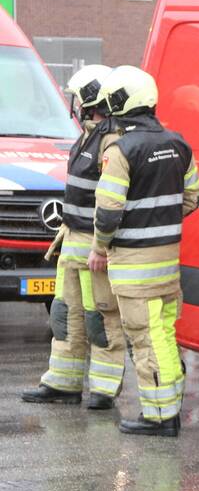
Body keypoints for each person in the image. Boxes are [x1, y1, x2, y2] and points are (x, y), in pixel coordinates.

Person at [88, 65, 199, 437]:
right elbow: (194, 196)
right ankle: (168, 409)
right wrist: (160, 217)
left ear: (120, 102)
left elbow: (107, 212)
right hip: (168, 265)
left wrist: (100, 248)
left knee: (145, 340)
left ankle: (158, 417)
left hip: (135, 269)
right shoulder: (178, 144)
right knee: (163, 336)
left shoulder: (122, 150)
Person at [21, 64, 129, 410]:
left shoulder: (112, 141)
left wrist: (102, 245)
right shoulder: (87, 136)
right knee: (65, 315)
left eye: (78, 97)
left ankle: (104, 388)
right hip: (73, 242)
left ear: (89, 99)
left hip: (97, 247)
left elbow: (113, 200)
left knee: (100, 317)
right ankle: (63, 382)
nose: (75, 103)